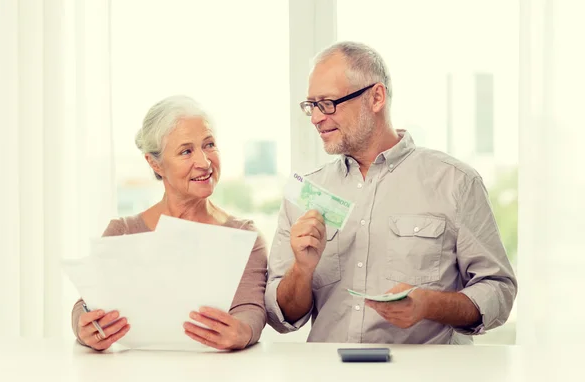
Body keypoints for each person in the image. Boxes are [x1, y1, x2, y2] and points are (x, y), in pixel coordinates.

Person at [265, 41, 518, 344]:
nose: (317, 118)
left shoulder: (455, 182)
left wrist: (430, 304)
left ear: (376, 97)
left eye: (328, 103)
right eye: (312, 106)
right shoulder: (304, 193)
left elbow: (499, 290)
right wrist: (302, 271)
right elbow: (282, 319)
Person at [71, 95, 268, 351]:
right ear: (155, 163)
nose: (204, 162)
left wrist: (243, 330)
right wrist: (83, 327)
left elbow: (250, 307)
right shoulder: (123, 233)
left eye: (209, 145)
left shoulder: (244, 235)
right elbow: (86, 304)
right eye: (186, 151)